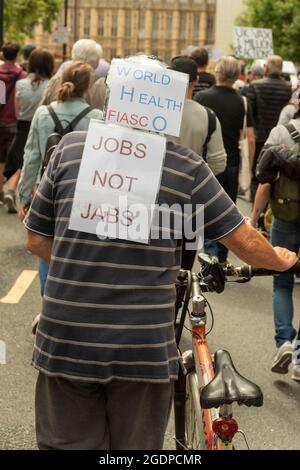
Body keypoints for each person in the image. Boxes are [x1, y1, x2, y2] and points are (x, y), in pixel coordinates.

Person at [24, 106, 297, 450]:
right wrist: (281, 260)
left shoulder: (70, 149)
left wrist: (88, 263)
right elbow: (242, 240)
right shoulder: (183, 166)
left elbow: (35, 239)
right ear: (165, 111)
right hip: (141, 346)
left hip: (67, 339)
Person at [18, 61, 103, 297]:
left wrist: (25, 197)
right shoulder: (97, 117)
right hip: (84, 195)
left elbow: (32, 156)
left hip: (46, 191)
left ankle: (50, 300)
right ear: (88, 88)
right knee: (80, 247)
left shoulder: (43, 113)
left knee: (46, 243)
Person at [251, 107, 300, 381]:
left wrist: (255, 215)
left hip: (285, 214)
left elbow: (265, 181)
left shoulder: (283, 132)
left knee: (281, 279)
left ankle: (283, 341)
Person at [194, 56, 256, 265]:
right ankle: (221, 256)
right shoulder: (242, 101)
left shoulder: (202, 97)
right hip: (231, 161)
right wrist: (251, 163)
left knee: (208, 209)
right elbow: (247, 135)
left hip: (207, 162)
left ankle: (211, 254)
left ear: (218, 72)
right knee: (227, 211)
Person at [4, 49, 55, 213]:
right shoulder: (52, 86)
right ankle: (34, 200)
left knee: (24, 162)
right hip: (44, 127)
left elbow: (18, 111)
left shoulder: (21, 84)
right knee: (39, 163)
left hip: (23, 127)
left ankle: (13, 192)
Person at [168, 56, 226, 176]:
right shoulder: (208, 116)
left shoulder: (153, 112)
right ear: (196, 80)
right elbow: (219, 164)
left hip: (158, 185)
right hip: (192, 186)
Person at [247, 55, 292, 201]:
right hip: (283, 138)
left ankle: (257, 209)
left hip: (260, 137)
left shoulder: (255, 86)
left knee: (259, 173)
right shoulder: (288, 88)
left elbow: (250, 114)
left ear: (266, 68)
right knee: (279, 175)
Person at [41, 39, 106, 110]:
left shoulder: (55, 81)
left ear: (73, 56)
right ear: (97, 62)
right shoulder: (104, 86)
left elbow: (42, 109)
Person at [0, 43, 26, 206]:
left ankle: (0, 193)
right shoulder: (22, 75)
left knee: (0, 159)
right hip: (14, 122)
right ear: (17, 56)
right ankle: (10, 189)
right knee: (16, 159)